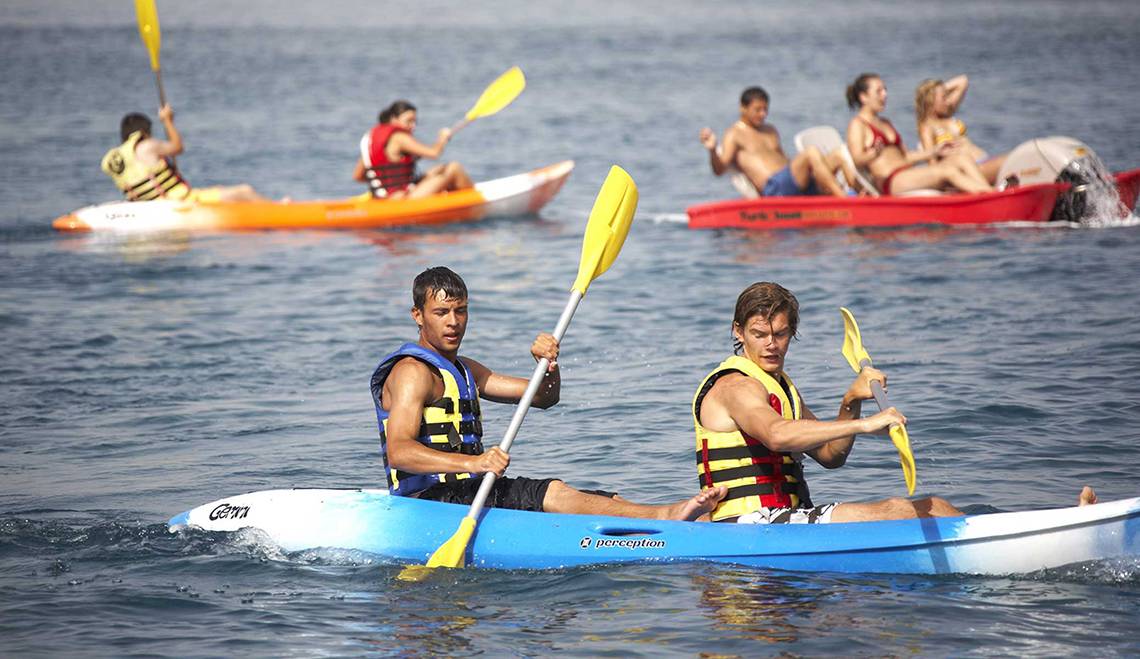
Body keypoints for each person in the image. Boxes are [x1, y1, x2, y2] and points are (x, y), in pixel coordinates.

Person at [692, 281, 1097, 524]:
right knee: (900, 510)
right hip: (747, 526)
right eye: (760, 333)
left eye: (780, 334)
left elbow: (831, 456)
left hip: (785, 522)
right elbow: (778, 436)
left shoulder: (780, 386)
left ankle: (1037, 528)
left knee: (933, 507)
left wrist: (851, 401)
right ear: (739, 332)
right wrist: (863, 425)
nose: (771, 344)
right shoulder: (735, 386)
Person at [370, 266, 726, 520]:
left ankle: (684, 521)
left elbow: (542, 397)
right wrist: (475, 463)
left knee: (603, 498)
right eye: (441, 312)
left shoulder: (464, 369)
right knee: (553, 493)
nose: (453, 322)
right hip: (429, 502)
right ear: (418, 315)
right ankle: (665, 515)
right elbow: (400, 451)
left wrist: (548, 367)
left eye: (460, 311)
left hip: (471, 493)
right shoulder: (411, 373)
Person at [845, 72, 993, 195]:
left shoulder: (885, 122)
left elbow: (906, 156)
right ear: (863, 97)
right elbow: (856, 160)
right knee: (947, 171)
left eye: (885, 89)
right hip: (891, 181)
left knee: (960, 158)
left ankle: (990, 191)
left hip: (908, 173)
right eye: (879, 91)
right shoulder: (858, 125)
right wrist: (873, 153)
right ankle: (990, 196)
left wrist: (934, 151)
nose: (885, 95)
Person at [699, 86, 862, 198]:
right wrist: (712, 150)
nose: (762, 114)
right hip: (774, 188)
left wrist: (816, 172)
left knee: (839, 155)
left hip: (792, 182)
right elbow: (719, 170)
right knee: (811, 152)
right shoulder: (734, 134)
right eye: (757, 110)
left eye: (765, 109)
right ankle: (846, 201)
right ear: (743, 108)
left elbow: (786, 161)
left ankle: (859, 195)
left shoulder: (770, 130)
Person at [101, 105, 263, 202]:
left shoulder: (116, 158)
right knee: (245, 191)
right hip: (177, 201)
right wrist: (168, 121)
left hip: (146, 204)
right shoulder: (147, 146)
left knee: (220, 190)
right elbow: (178, 147)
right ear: (144, 131)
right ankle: (282, 210)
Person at [352, 100, 474, 199]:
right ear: (394, 119)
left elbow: (358, 176)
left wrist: (381, 186)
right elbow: (434, 153)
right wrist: (442, 138)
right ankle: (473, 203)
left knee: (442, 168)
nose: (413, 125)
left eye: (415, 121)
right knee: (454, 168)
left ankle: (459, 196)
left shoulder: (373, 139)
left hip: (383, 197)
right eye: (409, 121)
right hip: (403, 199)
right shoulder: (399, 137)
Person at [915, 75, 1007, 185]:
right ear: (930, 101)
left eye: (947, 96)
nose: (948, 101)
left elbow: (963, 81)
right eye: (944, 97)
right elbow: (932, 164)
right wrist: (929, 93)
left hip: (983, 162)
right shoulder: (927, 127)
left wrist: (939, 90)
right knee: (1010, 161)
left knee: (1015, 160)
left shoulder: (947, 112)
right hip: (970, 171)